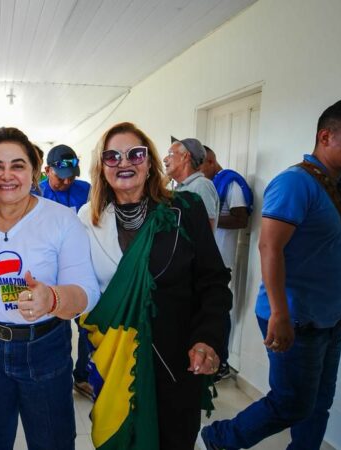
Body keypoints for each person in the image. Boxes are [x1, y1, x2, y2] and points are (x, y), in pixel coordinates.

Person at [201, 98, 341, 450]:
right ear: (326, 136)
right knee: (291, 403)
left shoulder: (332, 184)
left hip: (327, 319)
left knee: (318, 404)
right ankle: (220, 438)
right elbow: (270, 248)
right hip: (293, 318)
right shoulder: (295, 183)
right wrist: (280, 314)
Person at [77, 122, 231, 449]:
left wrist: (209, 338)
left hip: (176, 362)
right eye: (112, 156)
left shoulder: (185, 210)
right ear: (101, 167)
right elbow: (81, 289)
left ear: (149, 163)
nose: (125, 162)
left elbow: (213, 282)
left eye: (136, 153)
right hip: (115, 361)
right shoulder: (85, 220)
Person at [0, 126, 100, 450]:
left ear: (35, 172)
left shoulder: (62, 220)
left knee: (52, 441)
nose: (7, 175)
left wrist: (53, 298)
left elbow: (87, 290)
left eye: (17, 165)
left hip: (43, 348)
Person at [37, 143, 94, 399]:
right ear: (47, 169)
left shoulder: (87, 191)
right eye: (61, 177)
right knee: (53, 327)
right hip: (48, 272)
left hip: (80, 267)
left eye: (72, 175)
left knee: (86, 325)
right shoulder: (36, 192)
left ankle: (82, 376)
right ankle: (52, 376)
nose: (67, 181)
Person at [199, 146, 254, 380]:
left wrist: (205, 220)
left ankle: (221, 363)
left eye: (199, 165)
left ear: (211, 161)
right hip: (206, 259)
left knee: (219, 313)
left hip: (222, 261)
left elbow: (241, 218)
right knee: (203, 312)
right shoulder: (208, 185)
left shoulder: (230, 182)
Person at [164, 136, 219, 230]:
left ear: (185, 156)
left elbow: (206, 231)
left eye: (170, 154)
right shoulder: (181, 187)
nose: (165, 159)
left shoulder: (201, 185)